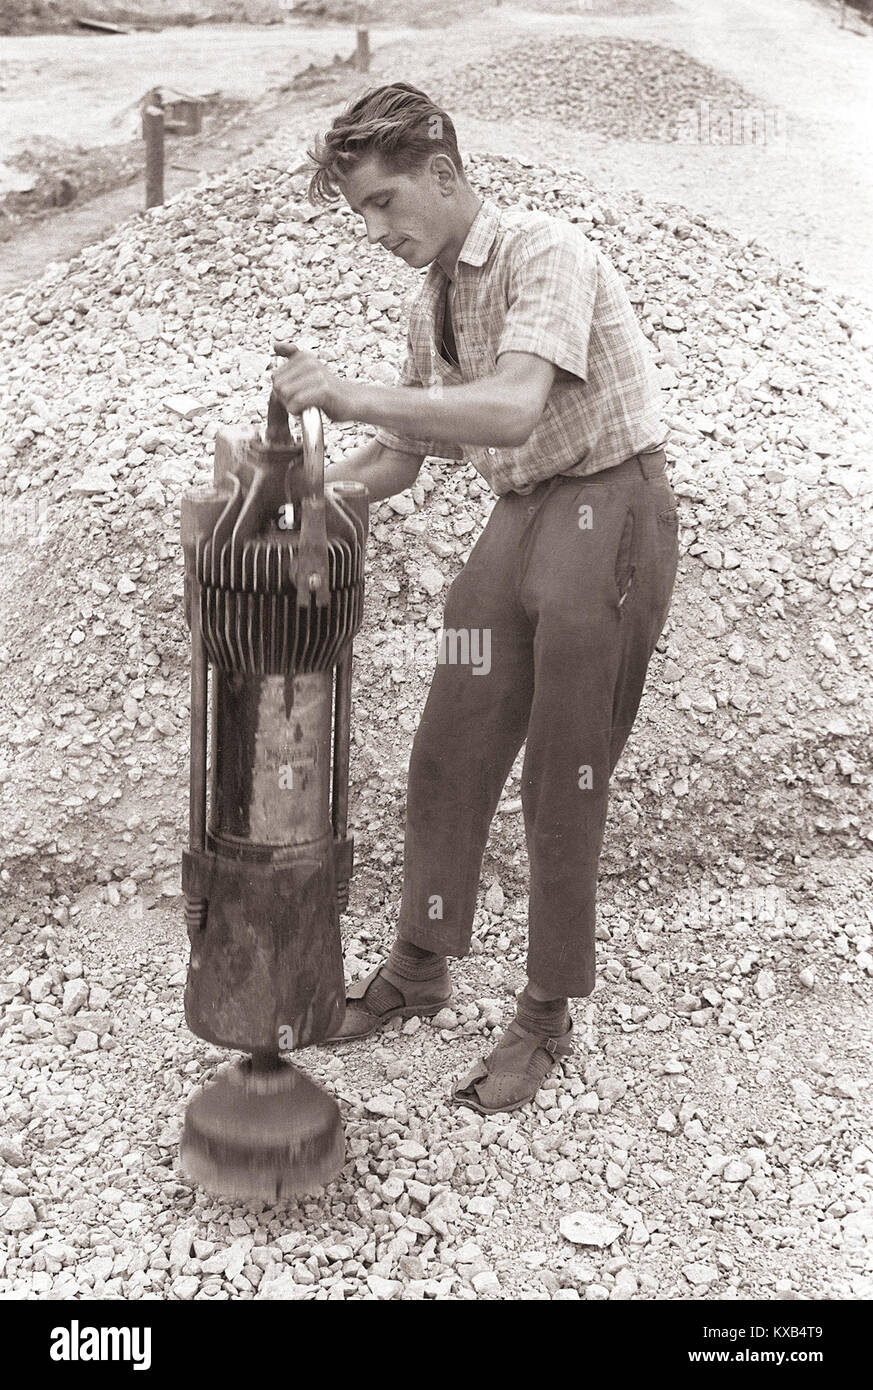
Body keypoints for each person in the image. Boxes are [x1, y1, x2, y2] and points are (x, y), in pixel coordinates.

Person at [271, 82, 679, 1114]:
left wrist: (346, 389)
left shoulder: (548, 251)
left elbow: (506, 408)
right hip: (524, 511)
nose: (376, 230)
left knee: (563, 772)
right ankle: (420, 964)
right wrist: (298, 491)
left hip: (612, 505)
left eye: (386, 201)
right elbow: (406, 456)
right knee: (449, 744)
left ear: (446, 176)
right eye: (361, 211)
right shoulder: (433, 297)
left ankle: (545, 1015)